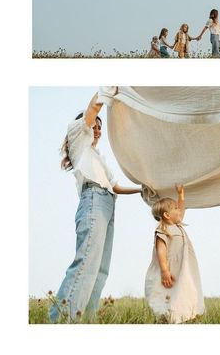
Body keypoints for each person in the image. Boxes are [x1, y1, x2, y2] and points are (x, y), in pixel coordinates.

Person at [49, 93, 142, 323]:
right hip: (93, 200)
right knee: (87, 261)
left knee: (100, 270)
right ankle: (61, 321)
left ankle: (86, 320)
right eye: (95, 125)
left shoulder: (98, 157)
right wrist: (106, 90)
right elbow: (93, 108)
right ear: (86, 126)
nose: (98, 130)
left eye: (100, 128)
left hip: (108, 204)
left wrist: (142, 189)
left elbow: (116, 187)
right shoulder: (78, 138)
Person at [145, 184, 204, 323]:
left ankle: (184, 314)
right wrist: (165, 270)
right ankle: (167, 316)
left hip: (183, 267)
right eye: (175, 208)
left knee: (184, 290)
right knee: (168, 292)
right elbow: (161, 251)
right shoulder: (163, 230)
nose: (180, 210)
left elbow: (180, 212)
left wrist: (181, 195)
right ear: (166, 215)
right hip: (171, 269)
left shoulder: (176, 225)